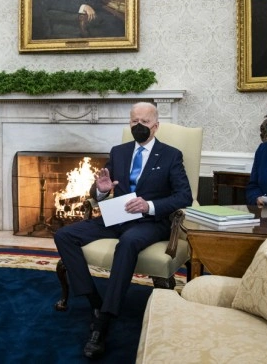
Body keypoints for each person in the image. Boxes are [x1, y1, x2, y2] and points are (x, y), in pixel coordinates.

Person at [53, 102, 192, 359]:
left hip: (151, 222)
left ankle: (103, 321)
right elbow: (100, 188)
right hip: (117, 216)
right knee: (64, 235)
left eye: (144, 122)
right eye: (134, 121)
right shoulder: (119, 152)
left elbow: (184, 196)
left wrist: (149, 205)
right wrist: (102, 190)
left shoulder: (171, 155)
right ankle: (95, 302)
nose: (139, 126)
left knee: (127, 242)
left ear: (155, 126)